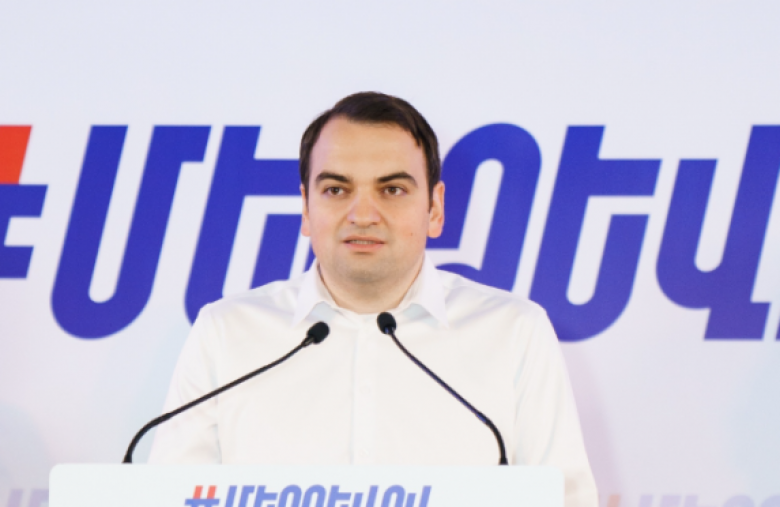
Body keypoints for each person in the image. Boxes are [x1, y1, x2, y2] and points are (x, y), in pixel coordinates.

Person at [149, 92, 598, 507]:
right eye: (336, 190)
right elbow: (169, 499)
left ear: (435, 208)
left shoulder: (514, 332)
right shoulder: (225, 333)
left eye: (392, 190)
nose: (363, 215)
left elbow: (566, 500)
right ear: (305, 207)